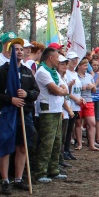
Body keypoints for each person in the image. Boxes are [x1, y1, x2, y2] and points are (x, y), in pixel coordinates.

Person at [0, 39, 39, 193]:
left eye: (21, 49)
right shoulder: (2, 71)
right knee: (6, 146)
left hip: (25, 114)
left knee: (22, 146)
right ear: (9, 51)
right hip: (8, 113)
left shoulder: (27, 72)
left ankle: (18, 178)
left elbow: (35, 91)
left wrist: (27, 94)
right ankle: (5, 180)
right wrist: (10, 99)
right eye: (16, 49)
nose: (19, 52)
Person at [34, 49, 68, 182]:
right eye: (57, 57)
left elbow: (64, 89)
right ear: (50, 58)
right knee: (47, 142)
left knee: (57, 141)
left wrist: (60, 90)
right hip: (47, 110)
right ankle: (41, 172)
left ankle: (54, 170)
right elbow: (56, 89)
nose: (59, 60)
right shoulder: (42, 72)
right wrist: (59, 90)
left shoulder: (54, 72)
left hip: (57, 109)